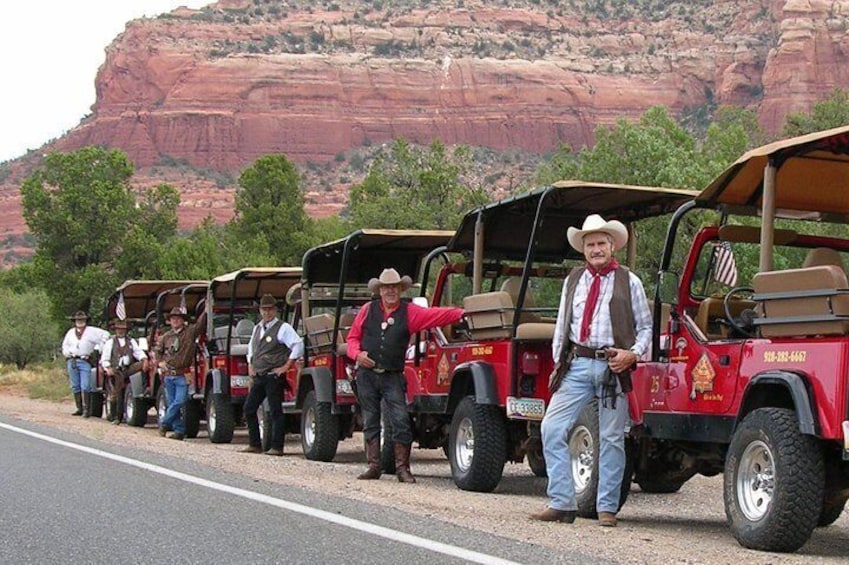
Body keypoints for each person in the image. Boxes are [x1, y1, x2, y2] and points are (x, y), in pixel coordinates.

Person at [530, 214, 651, 527]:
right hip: (578, 363)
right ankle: (562, 502)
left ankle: (606, 508)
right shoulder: (573, 281)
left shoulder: (630, 280)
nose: (596, 249)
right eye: (591, 244)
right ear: (583, 249)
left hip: (614, 367)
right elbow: (562, 325)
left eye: (601, 243)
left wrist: (632, 354)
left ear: (612, 246)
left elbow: (646, 327)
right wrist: (559, 364)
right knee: (552, 428)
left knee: (611, 438)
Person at [346, 268, 465, 483]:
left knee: (401, 420)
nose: (390, 291)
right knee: (371, 420)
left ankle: (402, 468)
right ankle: (374, 465)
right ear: (380, 290)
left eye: (394, 287)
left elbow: (436, 315)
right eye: (386, 287)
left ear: (400, 290)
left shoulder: (410, 312)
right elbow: (352, 339)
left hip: (392, 375)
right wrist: (358, 355)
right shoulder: (367, 310)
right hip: (367, 374)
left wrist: (461, 313)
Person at [242, 294, 304, 456]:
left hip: (273, 375)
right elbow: (251, 348)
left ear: (275, 310)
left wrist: (286, 366)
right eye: (264, 309)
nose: (267, 313)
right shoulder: (257, 328)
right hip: (260, 375)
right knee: (249, 409)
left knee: (276, 411)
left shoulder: (283, 328)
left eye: (270, 309)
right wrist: (250, 364)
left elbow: (298, 345)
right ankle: (255, 443)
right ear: (260, 311)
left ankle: (277, 446)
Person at [155, 306, 205, 440]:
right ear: (170, 321)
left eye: (178, 318)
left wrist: (206, 309)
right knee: (172, 403)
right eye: (173, 319)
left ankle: (164, 423)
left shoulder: (190, 332)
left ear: (183, 320)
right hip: (168, 375)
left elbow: (200, 324)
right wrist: (160, 362)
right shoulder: (166, 336)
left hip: (182, 374)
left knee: (180, 401)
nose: (176, 321)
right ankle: (179, 430)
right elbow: (158, 352)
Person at [61, 310, 109, 417]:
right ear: (74, 321)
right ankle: (80, 408)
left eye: (82, 319)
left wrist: (100, 346)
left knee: (86, 385)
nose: (80, 321)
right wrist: (67, 353)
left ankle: (87, 409)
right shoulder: (70, 332)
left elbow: (106, 334)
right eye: (78, 320)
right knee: (75, 385)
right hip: (72, 360)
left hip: (85, 360)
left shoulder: (92, 331)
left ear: (86, 320)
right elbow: (65, 345)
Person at [100, 319, 148, 425]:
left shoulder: (131, 341)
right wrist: (108, 368)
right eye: (118, 329)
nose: (120, 331)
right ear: (115, 330)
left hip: (128, 369)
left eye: (123, 329)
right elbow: (105, 358)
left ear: (126, 330)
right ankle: (116, 416)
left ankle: (143, 389)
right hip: (115, 370)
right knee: (116, 393)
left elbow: (138, 353)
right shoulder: (110, 342)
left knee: (142, 365)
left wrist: (144, 360)